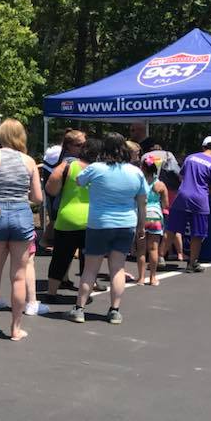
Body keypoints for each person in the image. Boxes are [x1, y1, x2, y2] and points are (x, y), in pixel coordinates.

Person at [0, 119, 43, 343]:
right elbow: (38, 198)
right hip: (22, 214)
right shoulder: (29, 161)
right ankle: (15, 328)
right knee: (19, 276)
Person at [66, 133, 146, 325]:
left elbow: (78, 180)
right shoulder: (136, 172)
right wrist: (141, 226)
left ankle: (79, 309)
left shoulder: (96, 168)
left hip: (99, 224)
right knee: (118, 268)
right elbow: (141, 202)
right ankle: (114, 311)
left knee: (90, 268)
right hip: (126, 223)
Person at [45, 138, 102, 301]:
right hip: (93, 219)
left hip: (67, 218)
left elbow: (50, 188)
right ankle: (84, 297)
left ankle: (51, 293)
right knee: (89, 261)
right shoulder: (102, 170)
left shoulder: (68, 165)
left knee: (60, 257)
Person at [166, 136, 211, 273]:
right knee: (198, 233)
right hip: (200, 200)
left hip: (182, 196)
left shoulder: (190, 158)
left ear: (203, 146)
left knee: (172, 228)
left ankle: (159, 257)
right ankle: (192, 263)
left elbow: (181, 176)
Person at [139, 152, 169, 286]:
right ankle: (153, 277)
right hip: (156, 216)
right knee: (153, 249)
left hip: (142, 215)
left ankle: (141, 278)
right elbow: (166, 204)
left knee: (141, 249)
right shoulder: (160, 184)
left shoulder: (139, 183)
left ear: (143, 168)